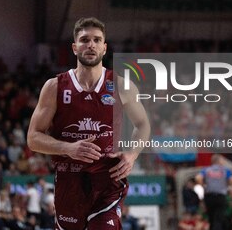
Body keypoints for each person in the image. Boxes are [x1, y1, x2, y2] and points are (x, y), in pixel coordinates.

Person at [27, 17, 150, 230]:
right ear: (75, 48)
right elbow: (33, 138)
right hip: (69, 180)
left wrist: (132, 154)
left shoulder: (122, 85)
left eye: (96, 40)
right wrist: (68, 148)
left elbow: (143, 124)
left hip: (108, 180)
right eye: (84, 40)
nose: (91, 44)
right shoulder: (55, 86)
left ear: (104, 48)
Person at [195, 154, 232, 230]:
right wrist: (227, 184)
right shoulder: (225, 170)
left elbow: (198, 178)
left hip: (209, 196)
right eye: (223, 160)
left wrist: (203, 185)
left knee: (211, 219)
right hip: (220, 196)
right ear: (219, 161)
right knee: (218, 219)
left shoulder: (206, 170)